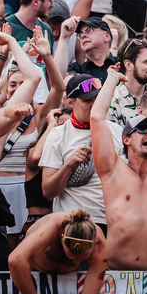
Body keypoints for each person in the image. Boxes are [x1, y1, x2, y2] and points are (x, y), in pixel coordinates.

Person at [89, 58, 147, 269]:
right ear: (126, 140)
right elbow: (96, 118)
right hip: (114, 275)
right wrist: (111, 79)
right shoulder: (113, 171)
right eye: (142, 129)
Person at [8, 209, 108, 294]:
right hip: (32, 270)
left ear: (94, 243)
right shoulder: (52, 227)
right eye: (71, 257)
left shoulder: (100, 247)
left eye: (82, 259)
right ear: (62, 237)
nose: (75, 263)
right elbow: (15, 260)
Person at [39, 74, 123, 230]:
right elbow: (48, 192)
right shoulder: (58, 135)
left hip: (112, 222)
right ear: (71, 102)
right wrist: (69, 165)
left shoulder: (117, 131)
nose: (94, 104)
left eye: (97, 98)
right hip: (73, 223)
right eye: (87, 100)